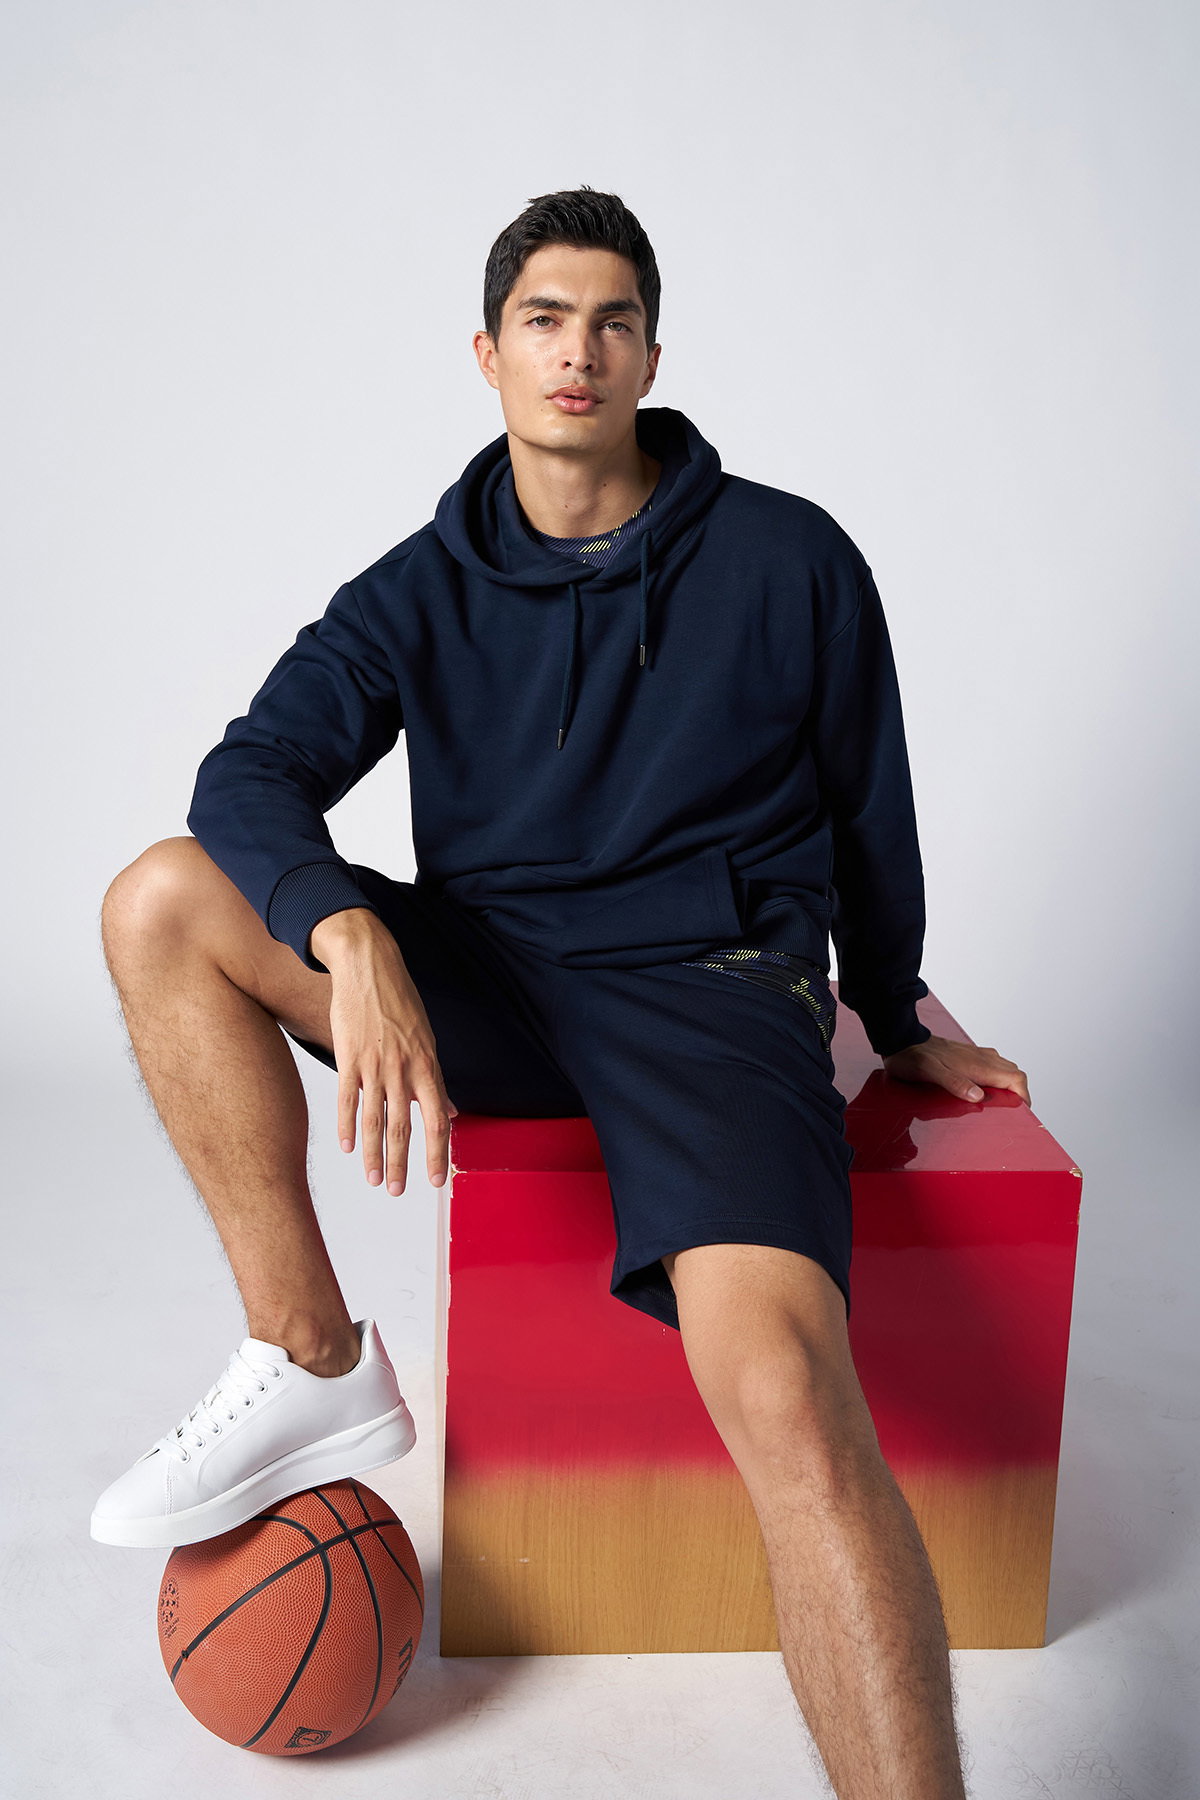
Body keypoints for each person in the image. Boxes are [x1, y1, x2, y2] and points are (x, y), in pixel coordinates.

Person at [92, 185, 1029, 1798]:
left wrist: (897, 1010)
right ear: (489, 354)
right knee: (164, 897)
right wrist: (350, 932)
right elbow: (246, 774)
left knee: (794, 1410)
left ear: (653, 355)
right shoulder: (420, 588)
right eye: (543, 321)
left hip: (711, 998)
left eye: (611, 322)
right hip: (499, 980)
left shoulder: (791, 558)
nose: (576, 352)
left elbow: (872, 810)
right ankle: (309, 1354)